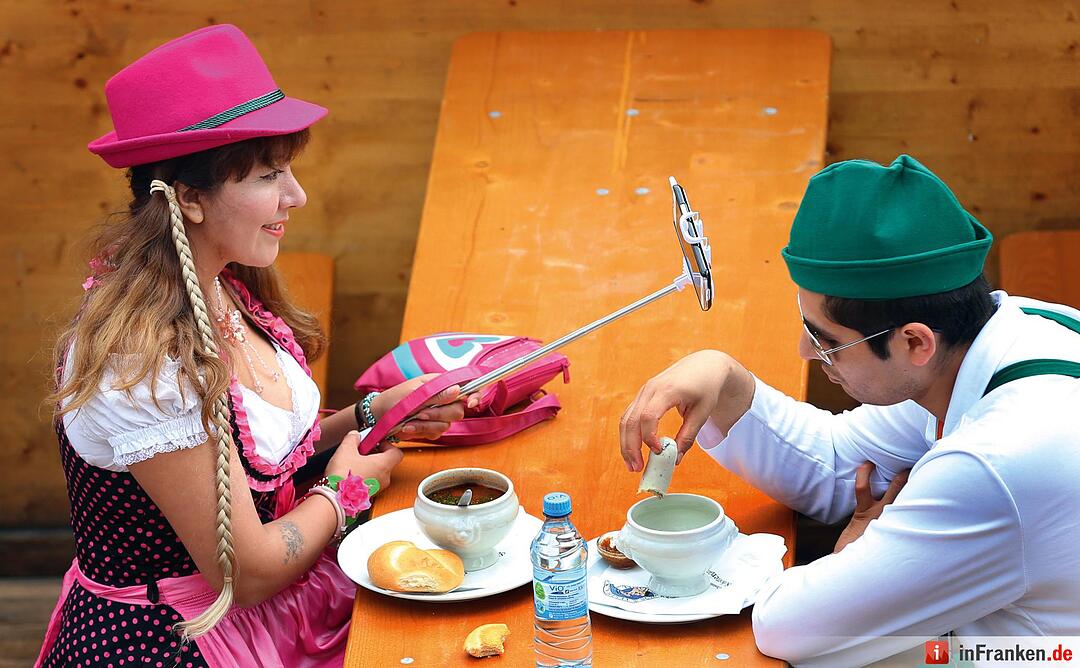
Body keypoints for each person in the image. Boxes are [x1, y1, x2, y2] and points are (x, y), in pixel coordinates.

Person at [36, 25, 470, 667]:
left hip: (273, 618)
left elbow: (251, 458)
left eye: (288, 170)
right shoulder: (143, 359)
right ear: (188, 198)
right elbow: (249, 572)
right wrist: (346, 489)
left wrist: (373, 415)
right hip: (179, 641)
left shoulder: (220, 280)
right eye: (270, 175)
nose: (296, 197)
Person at [619, 155, 1080, 666]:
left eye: (825, 339)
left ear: (914, 342)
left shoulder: (999, 462)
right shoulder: (1007, 333)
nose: (804, 350)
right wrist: (726, 381)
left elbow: (787, 627)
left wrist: (858, 550)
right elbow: (839, 461)